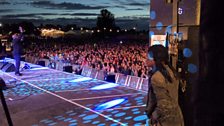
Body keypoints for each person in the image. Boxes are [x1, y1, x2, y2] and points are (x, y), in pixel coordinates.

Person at [145, 45, 184, 126]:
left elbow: (163, 105)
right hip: (176, 117)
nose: (146, 59)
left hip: (165, 120)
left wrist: (153, 117)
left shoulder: (157, 77)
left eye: (148, 56)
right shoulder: (171, 72)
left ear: (156, 58)